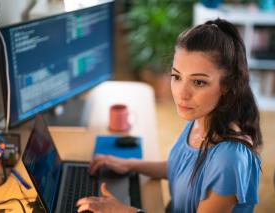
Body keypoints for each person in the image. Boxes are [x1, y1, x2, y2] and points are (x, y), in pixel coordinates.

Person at [76, 18, 262, 213]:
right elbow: (181, 169)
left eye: (198, 82)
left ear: (226, 85)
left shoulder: (229, 159)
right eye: (177, 77)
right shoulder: (200, 119)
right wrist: (128, 164)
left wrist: (121, 211)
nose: (182, 94)